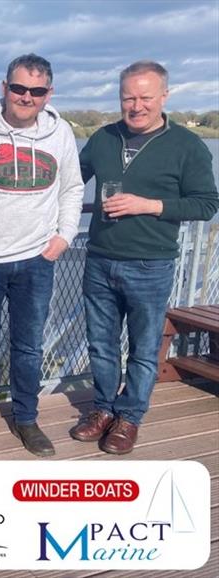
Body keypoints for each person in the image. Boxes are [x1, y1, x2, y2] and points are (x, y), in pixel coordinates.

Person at [72, 61, 218, 454]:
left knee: (142, 345)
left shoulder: (187, 146)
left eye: (145, 97)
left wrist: (148, 204)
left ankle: (130, 416)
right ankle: (102, 408)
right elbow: (70, 183)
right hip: (99, 257)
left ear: (164, 97)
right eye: (128, 97)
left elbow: (207, 205)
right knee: (100, 343)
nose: (136, 106)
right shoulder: (103, 138)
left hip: (150, 263)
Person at [0, 54, 84, 457]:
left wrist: (64, 236)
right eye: (19, 88)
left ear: (49, 94)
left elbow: (72, 189)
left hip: (35, 260)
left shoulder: (61, 135)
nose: (26, 97)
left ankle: (26, 417)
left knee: (29, 345)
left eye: (36, 90)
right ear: (4, 88)